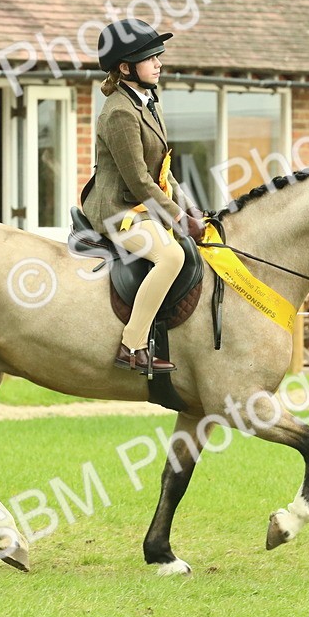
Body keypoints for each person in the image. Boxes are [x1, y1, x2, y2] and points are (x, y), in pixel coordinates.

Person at [81, 19, 205, 375]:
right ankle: (131, 344)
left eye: (158, 56)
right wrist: (178, 218)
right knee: (170, 256)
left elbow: (161, 171)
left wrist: (191, 206)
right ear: (125, 68)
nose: (159, 63)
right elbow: (138, 180)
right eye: (151, 58)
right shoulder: (120, 112)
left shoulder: (149, 102)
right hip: (117, 209)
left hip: (143, 204)